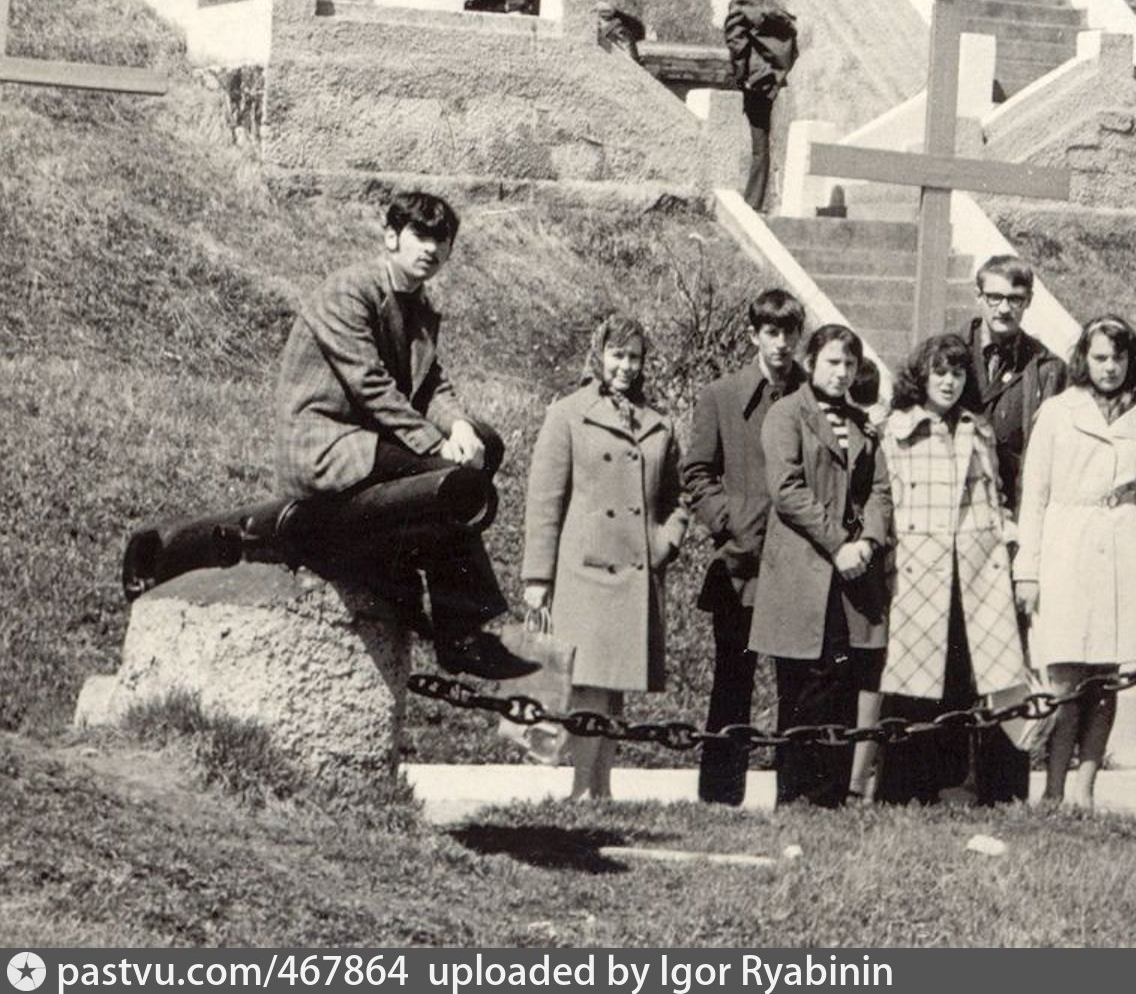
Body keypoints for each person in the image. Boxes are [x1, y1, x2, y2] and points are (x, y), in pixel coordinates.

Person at [273, 191, 535, 679]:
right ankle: (462, 633)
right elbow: (370, 385)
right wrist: (438, 447)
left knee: (486, 445)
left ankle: (399, 563)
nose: (431, 249)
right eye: (420, 235)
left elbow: (431, 382)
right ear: (391, 236)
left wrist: (459, 427)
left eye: (442, 240)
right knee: (446, 480)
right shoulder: (349, 291)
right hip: (329, 446)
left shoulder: (418, 306)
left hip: (376, 445)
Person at [1016, 317, 1136, 809]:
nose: (1110, 368)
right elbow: (1035, 497)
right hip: (1066, 546)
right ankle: (1051, 790)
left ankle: (1085, 790)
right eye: (1100, 358)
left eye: (1119, 358)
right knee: (1066, 677)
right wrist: (1028, 567)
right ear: (1084, 361)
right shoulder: (1057, 412)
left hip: (1124, 551)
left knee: (1108, 678)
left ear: (1132, 360)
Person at [520, 318, 688, 800]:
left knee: (612, 688)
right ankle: (581, 790)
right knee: (590, 684)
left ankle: (601, 788)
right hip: (584, 571)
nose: (626, 367)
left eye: (634, 357)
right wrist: (537, 575)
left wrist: (666, 541)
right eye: (617, 355)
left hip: (636, 572)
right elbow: (545, 499)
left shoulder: (659, 422)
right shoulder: (569, 414)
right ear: (599, 355)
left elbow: (679, 497)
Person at [873, 332, 1032, 807]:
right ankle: (901, 791)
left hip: (973, 576)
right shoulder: (895, 430)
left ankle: (955, 788)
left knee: (965, 678)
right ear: (921, 376)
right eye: (939, 372)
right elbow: (888, 499)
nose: (949, 381)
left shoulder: (976, 430)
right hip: (917, 574)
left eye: (958, 372)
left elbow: (995, 496)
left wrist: (1004, 536)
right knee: (911, 684)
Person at [750, 323, 890, 810]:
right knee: (801, 685)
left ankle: (829, 798)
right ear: (811, 362)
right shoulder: (787, 414)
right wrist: (838, 543)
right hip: (801, 574)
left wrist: (869, 541)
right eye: (833, 362)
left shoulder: (859, 423)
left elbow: (878, 490)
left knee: (840, 681)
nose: (842, 372)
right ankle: (794, 796)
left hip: (851, 578)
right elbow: (787, 490)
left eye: (850, 364)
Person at [680, 288, 807, 807]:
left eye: (789, 334)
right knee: (733, 679)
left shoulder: (813, 393)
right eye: (771, 333)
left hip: (800, 564)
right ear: (754, 334)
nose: (781, 344)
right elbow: (696, 471)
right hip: (741, 565)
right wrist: (730, 522)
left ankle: (794, 795)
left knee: (797, 685)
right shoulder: (722, 395)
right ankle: (719, 797)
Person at [962, 256, 1069, 516]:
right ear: (978, 296)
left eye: (1015, 299)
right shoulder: (947, 354)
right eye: (994, 297)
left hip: (1017, 505)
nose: (1004, 309)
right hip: (957, 501)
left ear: (1028, 301)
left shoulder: (1047, 367)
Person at [721, 0, 799, 210]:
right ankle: (756, 199)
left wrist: (741, 76)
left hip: (753, 80)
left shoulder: (741, 4)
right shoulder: (774, 8)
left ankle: (752, 201)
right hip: (772, 80)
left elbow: (737, 43)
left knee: (758, 142)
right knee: (762, 140)